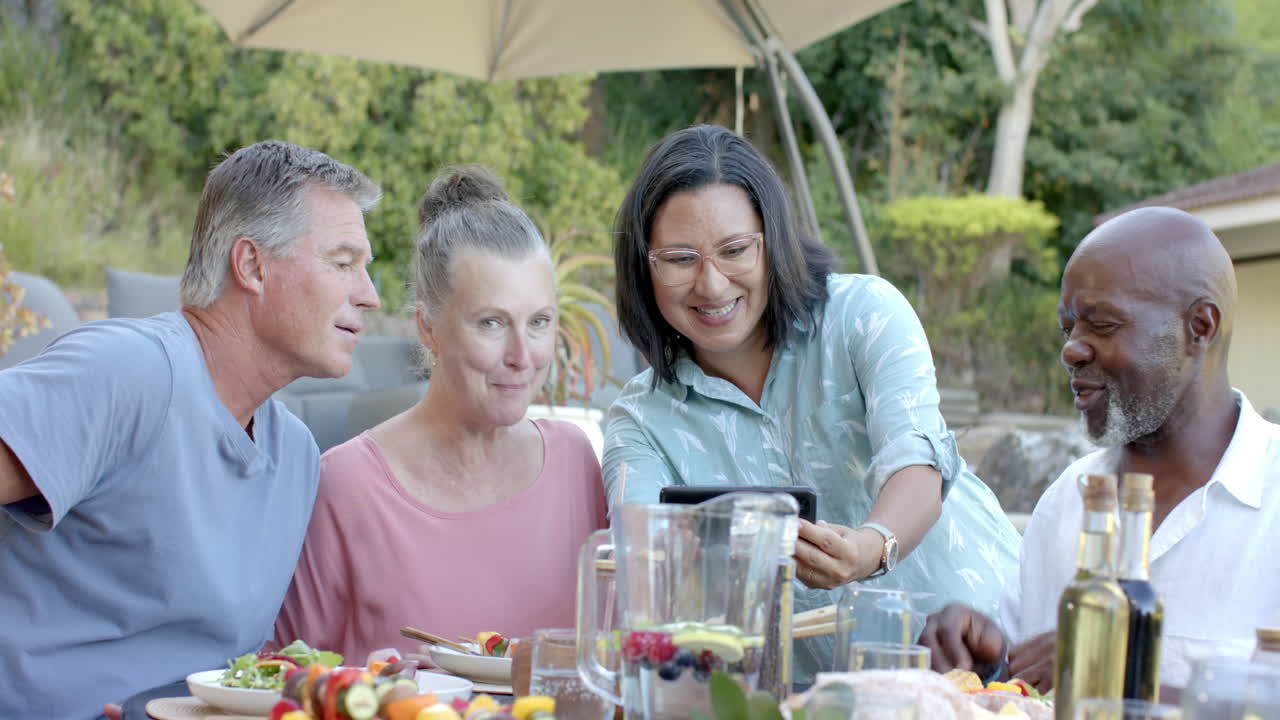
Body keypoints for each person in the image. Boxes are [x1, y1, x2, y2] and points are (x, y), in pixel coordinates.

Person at [602, 124, 1021, 680]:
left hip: (990, 658)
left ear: (772, 242)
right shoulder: (639, 421)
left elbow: (917, 463)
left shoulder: (864, 314)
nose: (711, 284)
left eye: (734, 250)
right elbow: (648, 576)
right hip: (820, 700)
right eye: (680, 259)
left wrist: (870, 547)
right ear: (643, 265)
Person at [0, 140, 382, 720]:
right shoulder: (129, 372)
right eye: (342, 263)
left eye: (367, 268)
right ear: (252, 265)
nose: (369, 295)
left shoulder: (295, 455)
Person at [920, 206, 1280, 693]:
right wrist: (989, 665)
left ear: (1200, 327)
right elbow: (1035, 685)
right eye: (1068, 328)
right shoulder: (1069, 498)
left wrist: (1122, 678)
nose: (1072, 349)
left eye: (1103, 325)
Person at [272, 165, 608, 663]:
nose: (522, 354)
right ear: (428, 329)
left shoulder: (575, 461)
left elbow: (611, 659)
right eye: (491, 323)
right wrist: (376, 688)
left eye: (539, 322)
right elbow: (285, 676)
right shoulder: (347, 486)